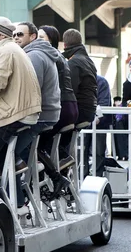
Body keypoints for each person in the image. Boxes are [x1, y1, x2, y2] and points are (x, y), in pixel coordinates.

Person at [0, 16, 42, 198]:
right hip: (21, 110)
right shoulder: (12, 49)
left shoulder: (5, 51)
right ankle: (15, 162)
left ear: (1, 34)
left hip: (14, 113)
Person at [14, 22, 69, 194]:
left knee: (5, 149)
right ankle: (48, 175)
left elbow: (31, 86)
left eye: (20, 34)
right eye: (14, 34)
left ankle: (23, 188)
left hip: (41, 113)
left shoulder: (34, 55)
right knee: (28, 147)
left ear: (32, 37)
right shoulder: (39, 53)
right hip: (50, 111)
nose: (16, 37)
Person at [37, 26, 79, 168]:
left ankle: (54, 175)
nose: (37, 40)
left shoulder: (47, 55)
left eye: (41, 37)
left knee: (33, 144)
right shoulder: (58, 55)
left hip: (62, 107)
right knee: (45, 144)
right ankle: (61, 163)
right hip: (70, 106)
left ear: (51, 40)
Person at [60, 29, 97, 161]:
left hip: (79, 111)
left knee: (47, 133)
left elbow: (70, 90)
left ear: (64, 45)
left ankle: (60, 161)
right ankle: (62, 162)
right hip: (89, 110)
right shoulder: (87, 60)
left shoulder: (73, 62)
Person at [84, 75, 111, 176]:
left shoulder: (101, 82)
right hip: (84, 121)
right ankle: (82, 175)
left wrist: (98, 117)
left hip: (100, 122)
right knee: (82, 150)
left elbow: (104, 101)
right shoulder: (79, 80)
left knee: (99, 151)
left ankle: (98, 175)